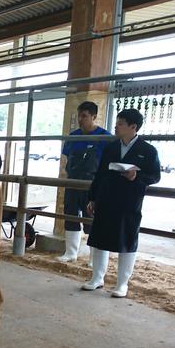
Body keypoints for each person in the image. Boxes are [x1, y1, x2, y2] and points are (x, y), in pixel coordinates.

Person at [82, 109, 161, 298]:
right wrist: (92, 197)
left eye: (120, 123)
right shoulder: (110, 148)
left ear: (133, 127)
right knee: (99, 238)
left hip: (129, 201)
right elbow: (100, 174)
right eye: (117, 122)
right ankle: (97, 278)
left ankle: (122, 284)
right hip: (106, 198)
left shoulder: (148, 150)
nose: (116, 126)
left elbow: (155, 176)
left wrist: (136, 176)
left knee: (127, 240)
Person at [57, 101, 112, 263]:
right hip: (73, 182)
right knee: (70, 216)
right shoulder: (73, 137)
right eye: (79, 116)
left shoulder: (105, 138)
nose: (80, 119)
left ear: (94, 117)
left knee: (91, 220)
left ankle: (94, 258)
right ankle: (70, 253)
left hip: (93, 184)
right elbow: (66, 158)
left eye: (84, 116)